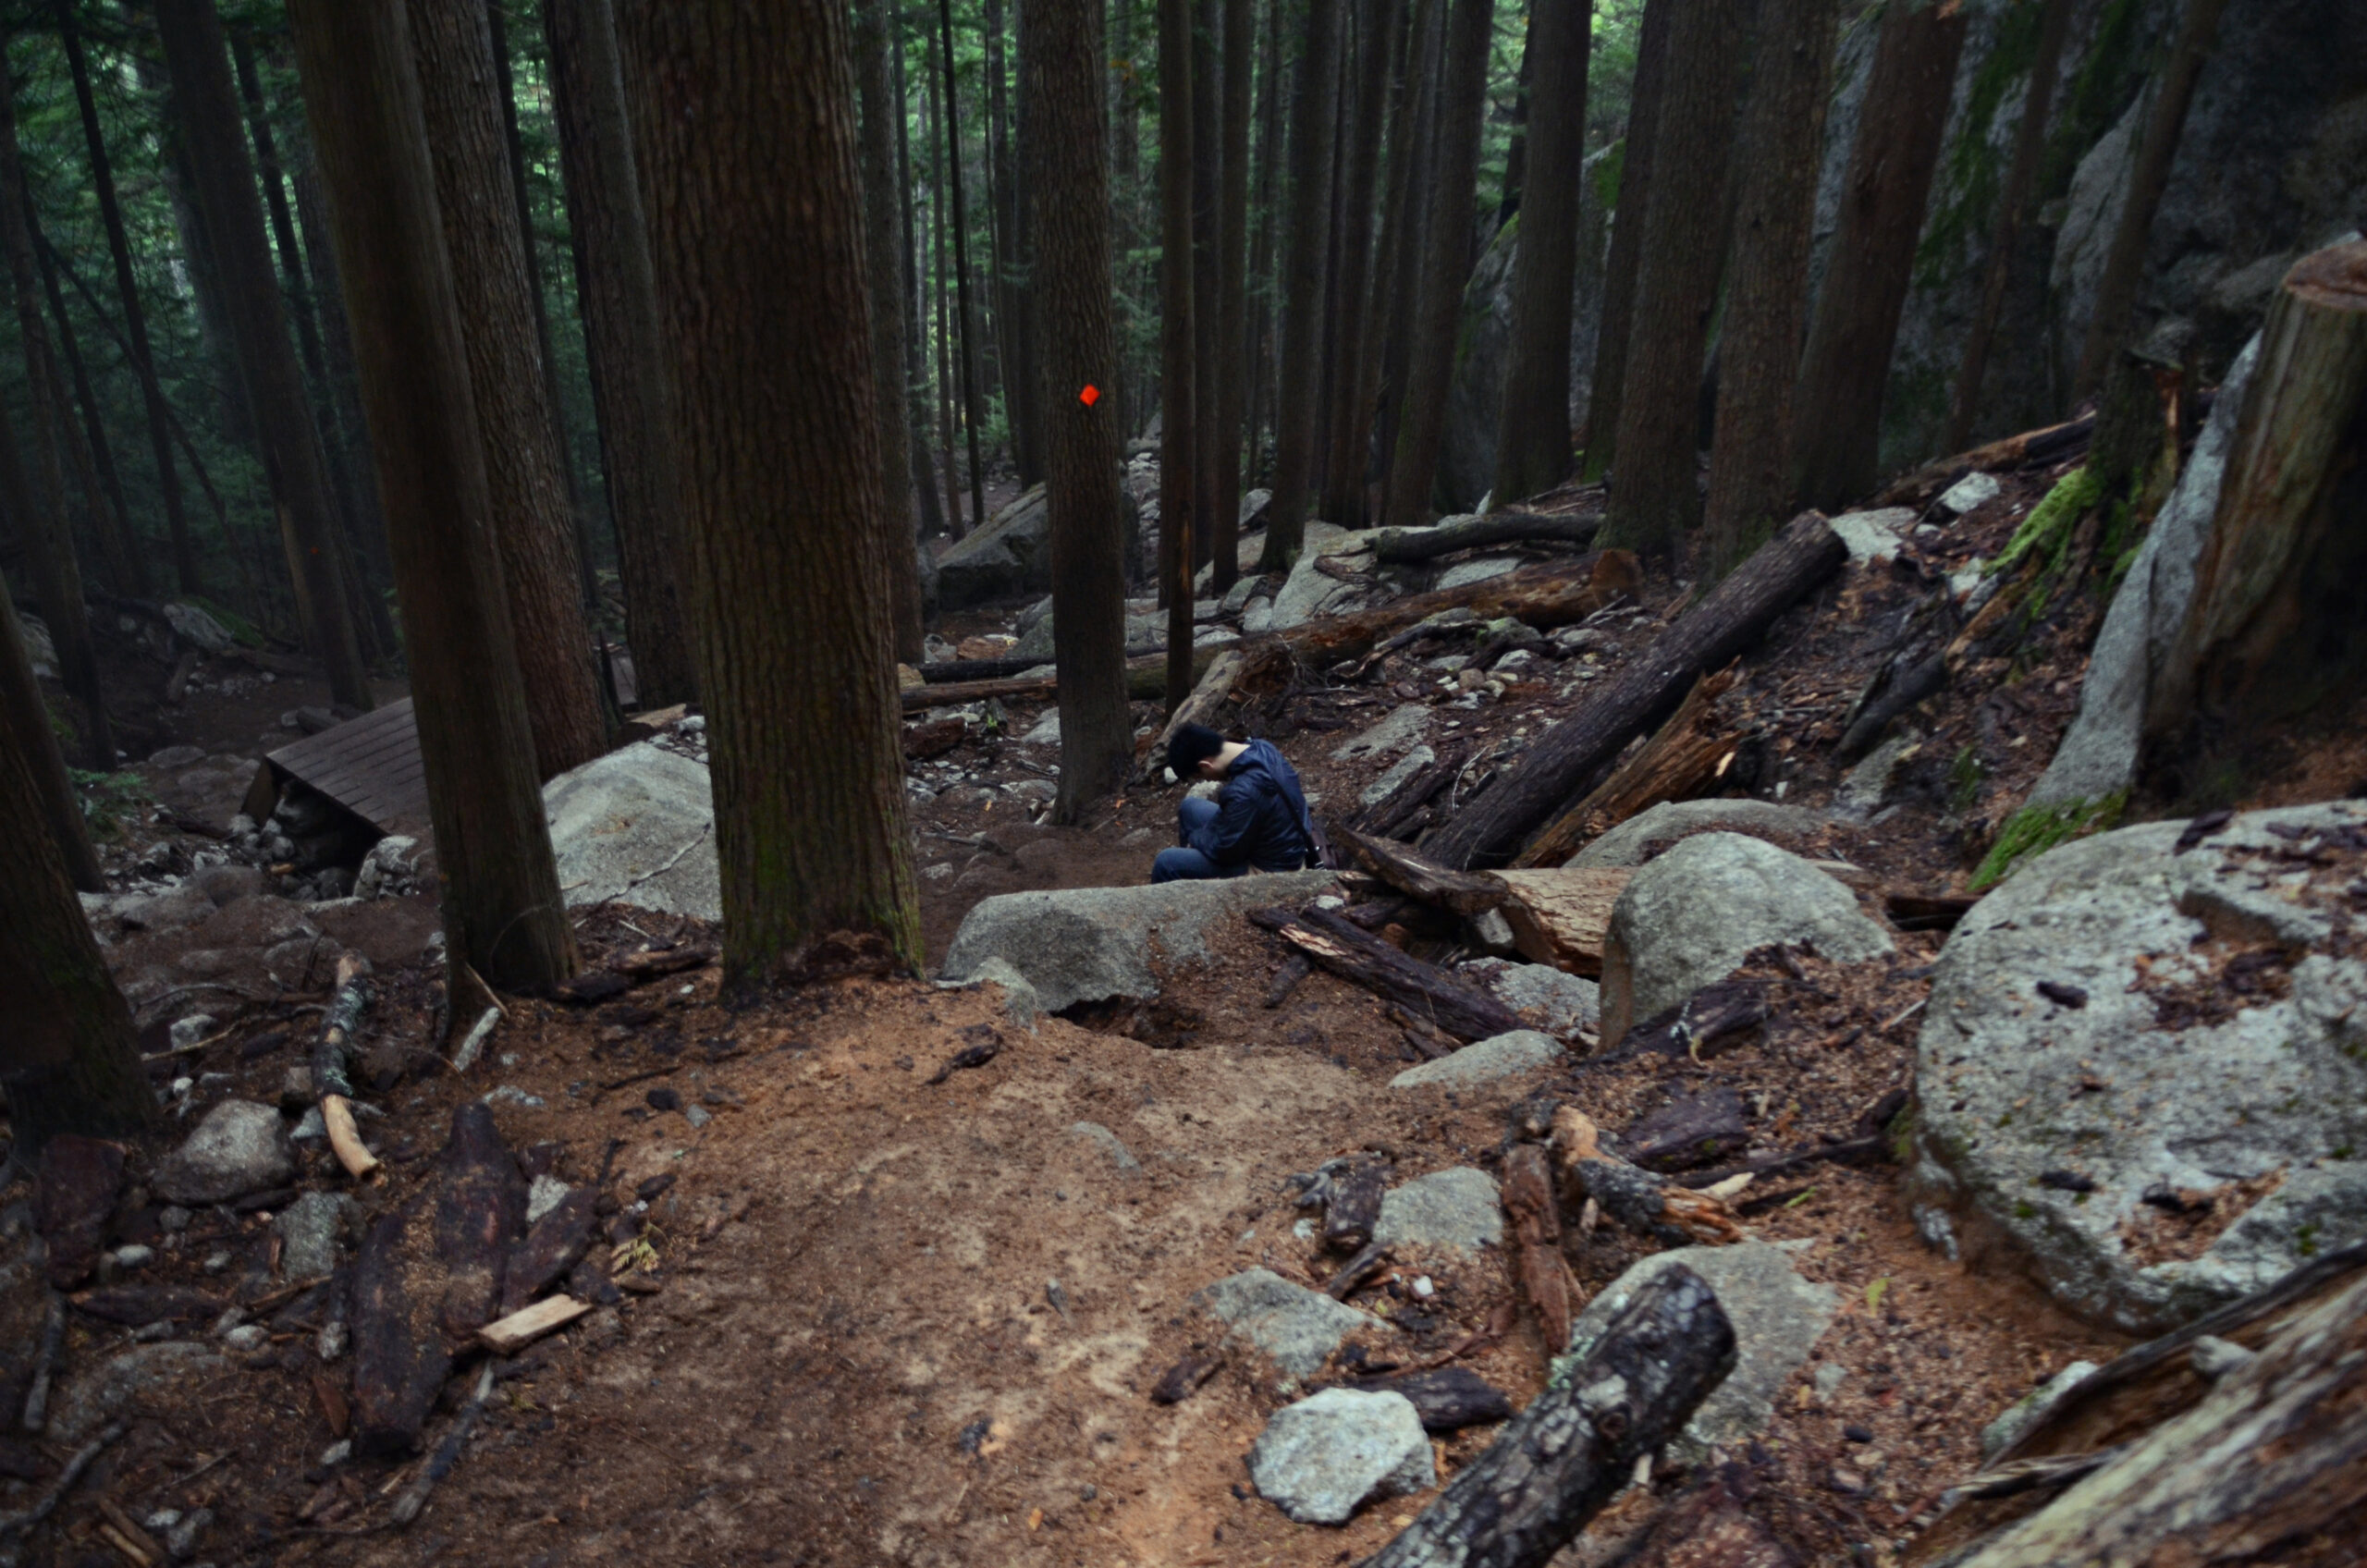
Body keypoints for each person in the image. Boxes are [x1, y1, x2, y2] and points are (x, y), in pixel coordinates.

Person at [1151, 724, 1319, 882]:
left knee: (1166, 862)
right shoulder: (1262, 747)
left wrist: (1195, 838)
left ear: (1206, 765)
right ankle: (1193, 881)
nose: (1205, 780)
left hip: (1272, 870)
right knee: (1190, 808)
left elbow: (1225, 851)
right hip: (1275, 841)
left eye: (1201, 776)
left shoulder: (1244, 791)